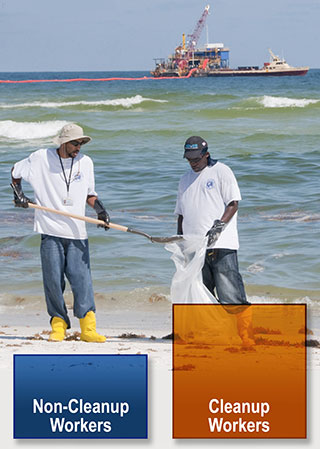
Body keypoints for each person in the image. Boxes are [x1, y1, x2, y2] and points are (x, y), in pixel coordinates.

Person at [11, 123, 109, 343]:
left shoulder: (86, 163)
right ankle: (58, 324)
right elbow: (14, 172)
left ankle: (88, 327)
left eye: (81, 143)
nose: (79, 147)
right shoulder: (40, 158)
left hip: (77, 233)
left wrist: (101, 210)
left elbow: (89, 194)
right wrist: (19, 195)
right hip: (49, 230)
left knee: (82, 281)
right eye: (76, 143)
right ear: (64, 142)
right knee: (53, 281)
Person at [175, 136, 254, 346]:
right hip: (195, 246)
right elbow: (181, 215)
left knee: (231, 292)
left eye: (196, 158)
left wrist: (218, 227)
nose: (193, 162)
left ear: (206, 154)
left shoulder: (221, 171)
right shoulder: (185, 179)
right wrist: (181, 241)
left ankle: (245, 335)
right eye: (189, 158)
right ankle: (211, 334)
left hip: (222, 244)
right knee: (203, 293)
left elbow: (233, 203)